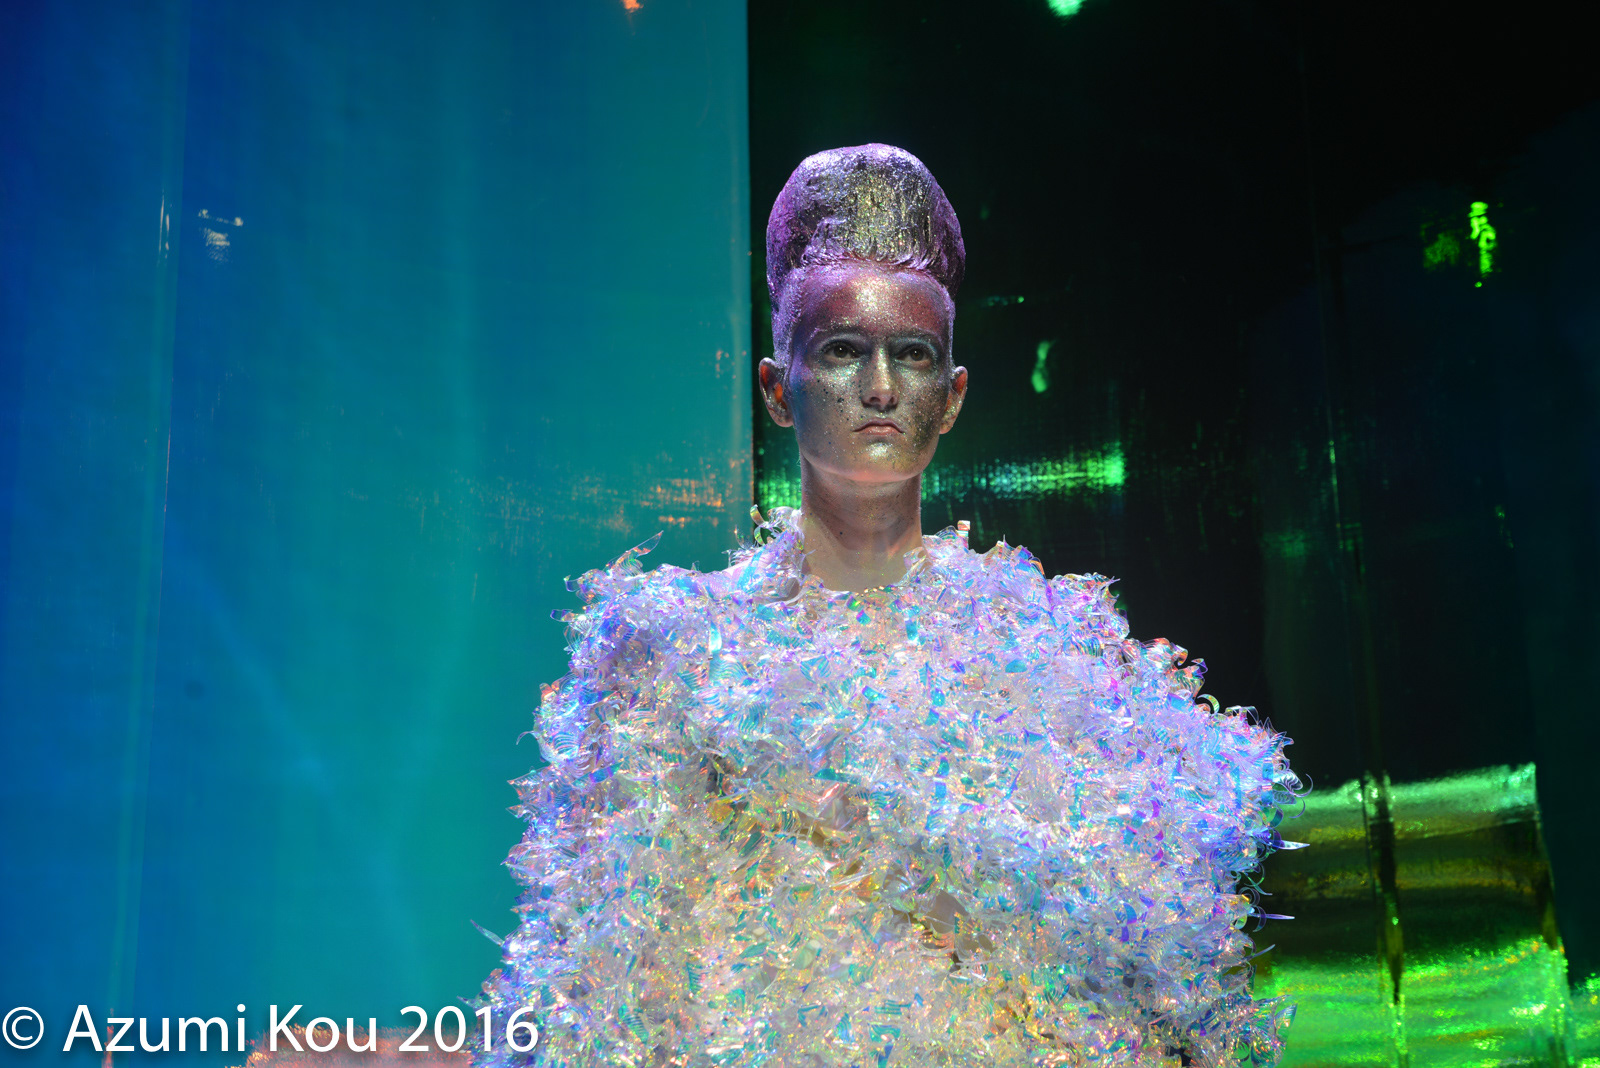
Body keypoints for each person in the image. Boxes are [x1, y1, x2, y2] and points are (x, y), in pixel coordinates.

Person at [475, 144, 1300, 1068]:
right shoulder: (672, 654)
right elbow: (603, 984)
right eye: (842, 350)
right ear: (776, 388)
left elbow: (1153, 962)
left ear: (951, 397)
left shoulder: (1054, 656)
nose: (878, 388)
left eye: (912, 355)